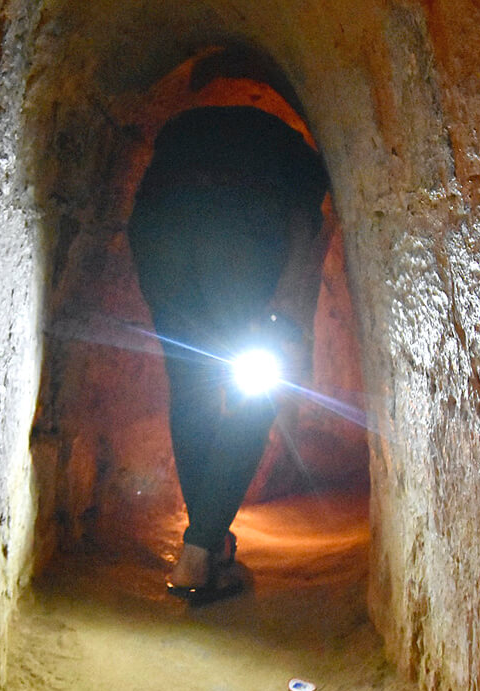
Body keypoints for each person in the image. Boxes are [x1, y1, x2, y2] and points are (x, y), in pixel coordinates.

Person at [127, 104, 330, 602]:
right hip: (240, 228)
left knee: (191, 388)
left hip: (158, 222)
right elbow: (307, 235)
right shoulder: (297, 163)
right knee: (259, 389)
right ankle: (198, 553)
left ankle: (207, 541)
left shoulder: (197, 137)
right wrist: (289, 330)